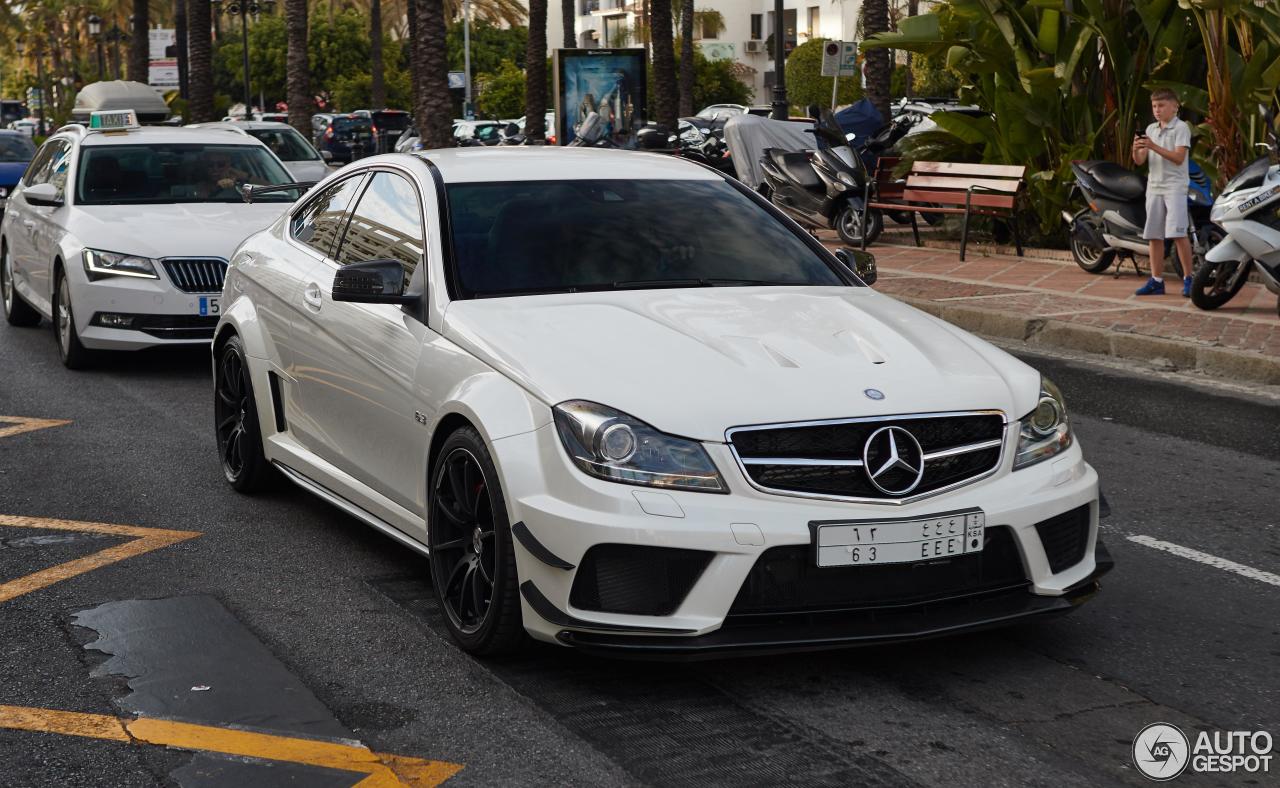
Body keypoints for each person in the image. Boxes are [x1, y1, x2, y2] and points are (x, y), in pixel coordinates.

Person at [1132, 88, 1194, 297]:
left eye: (1161, 106)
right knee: (1154, 235)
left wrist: (1153, 146)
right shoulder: (1150, 129)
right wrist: (1136, 148)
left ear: (1174, 107)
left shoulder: (1181, 128)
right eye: (1154, 106)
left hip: (1175, 187)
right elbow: (1139, 161)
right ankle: (1156, 281)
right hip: (1154, 186)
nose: (1157, 110)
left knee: (1178, 234)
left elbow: (1178, 158)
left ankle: (1189, 279)